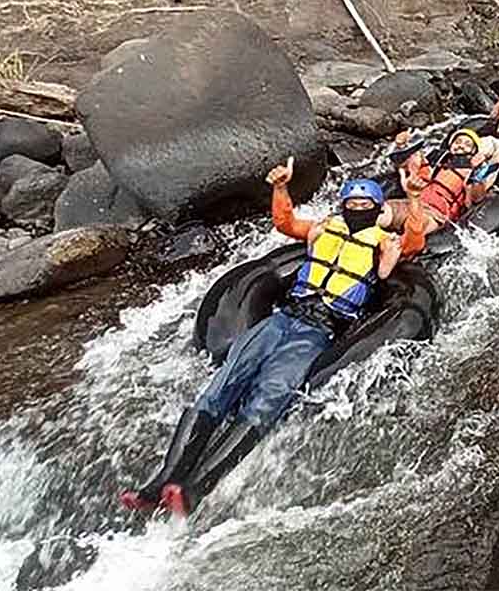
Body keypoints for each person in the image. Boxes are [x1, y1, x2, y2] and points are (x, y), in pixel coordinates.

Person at [119, 163, 419, 517]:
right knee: (222, 386)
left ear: (376, 209)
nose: (356, 210)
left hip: (318, 331)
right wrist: (280, 188)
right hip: (282, 318)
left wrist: (413, 197)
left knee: (268, 398)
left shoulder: (384, 244)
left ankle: (194, 489)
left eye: (363, 206)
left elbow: (413, 242)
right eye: (350, 205)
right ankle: (162, 482)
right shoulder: (323, 229)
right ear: (342, 205)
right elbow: (285, 224)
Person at [378, 127, 496, 249]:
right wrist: (401, 145)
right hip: (413, 201)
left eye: (467, 144)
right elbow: (407, 162)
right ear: (451, 145)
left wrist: (478, 177)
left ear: (473, 151)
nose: (461, 145)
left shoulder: (472, 171)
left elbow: (476, 198)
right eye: (458, 142)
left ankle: (395, 254)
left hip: (436, 215)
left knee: (415, 226)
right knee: (382, 212)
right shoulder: (437, 160)